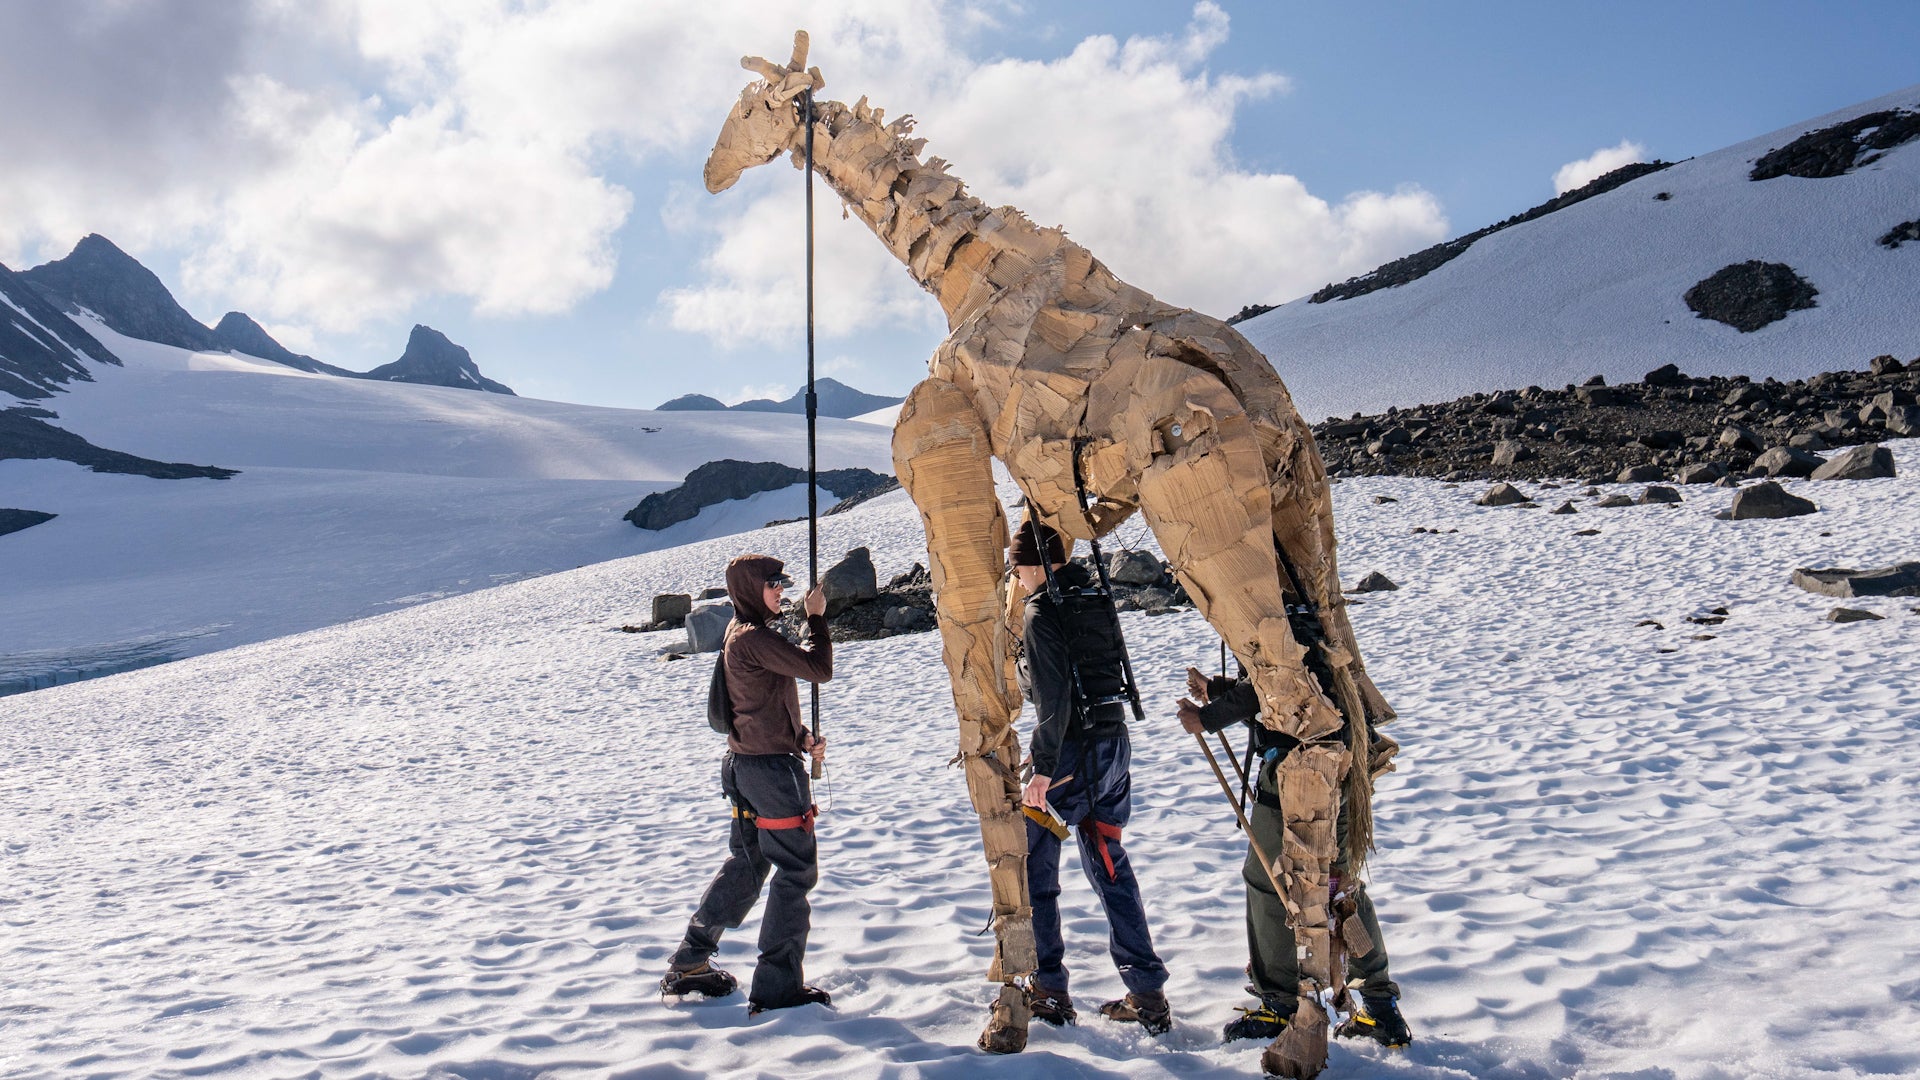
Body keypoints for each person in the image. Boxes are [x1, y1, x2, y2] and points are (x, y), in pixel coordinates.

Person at [1177, 665, 1414, 1049]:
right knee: (1338, 884)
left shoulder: (1266, 604)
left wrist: (1207, 718)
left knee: (1270, 881)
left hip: (1299, 769)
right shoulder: (1310, 607)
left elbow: (1273, 675)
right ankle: (1380, 1004)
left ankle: (1280, 1004)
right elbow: (1298, 680)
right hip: (1346, 755)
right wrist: (1220, 689)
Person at [1011, 514, 1172, 1036]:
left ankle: (1050, 987)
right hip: (1114, 747)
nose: (1017, 579)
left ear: (1032, 566)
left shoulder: (1041, 613)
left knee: (1038, 870)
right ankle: (1147, 992)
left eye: (1018, 569)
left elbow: (1052, 700)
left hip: (1069, 760)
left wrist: (1041, 769)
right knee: (1109, 864)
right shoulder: (1094, 596)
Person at [662, 554, 833, 1014]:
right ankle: (777, 987)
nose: (782, 589)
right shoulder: (754, 638)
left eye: (783, 582)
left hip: (746, 766)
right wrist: (816, 620)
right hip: (772, 775)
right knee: (795, 871)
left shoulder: (741, 635)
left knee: (749, 864)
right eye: (773, 583)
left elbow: (757, 708)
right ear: (749, 588)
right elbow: (818, 669)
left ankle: (690, 961)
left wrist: (801, 738)